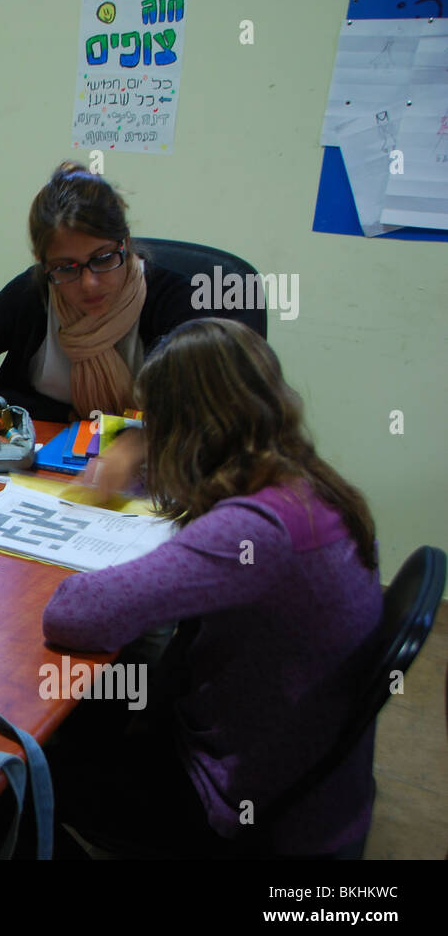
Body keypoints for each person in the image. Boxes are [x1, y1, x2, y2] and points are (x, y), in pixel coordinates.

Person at [41, 318, 383, 858]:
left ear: (185, 430)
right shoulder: (305, 480)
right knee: (118, 680)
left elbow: (76, 615)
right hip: (305, 775)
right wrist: (132, 459)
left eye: (154, 423)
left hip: (241, 804)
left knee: (12, 775)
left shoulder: (252, 530)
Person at [0, 162, 262, 430]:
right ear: (42, 263)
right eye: (66, 267)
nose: (89, 283)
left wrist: (124, 433)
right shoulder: (33, 295)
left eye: (103, 258)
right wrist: (61, 415)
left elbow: (219, 408)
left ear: (125, 243)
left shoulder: (175, 300)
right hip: (36, 469)